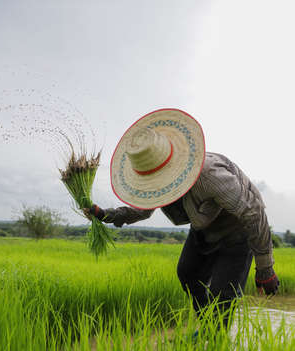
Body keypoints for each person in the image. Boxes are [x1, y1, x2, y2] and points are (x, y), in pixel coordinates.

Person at [83, 109, 279, 328]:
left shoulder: (209, 175)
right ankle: (208, 327)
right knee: (188, 274)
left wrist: (265, 268)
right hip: (204, 230)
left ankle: (216, 341)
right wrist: (106, 215)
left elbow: (253, 212)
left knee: (222, 296)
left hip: (236, 232)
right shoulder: (156, 183)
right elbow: (143, 209)